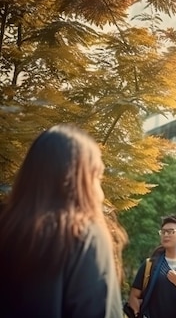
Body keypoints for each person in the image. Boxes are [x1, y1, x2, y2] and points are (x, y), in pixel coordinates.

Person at [0, 124, 124, 317]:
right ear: (78, 180)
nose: (100, 194)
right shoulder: (84, 236)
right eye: (97, 177)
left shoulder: (7, 231)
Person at [128, 214, 176, 318]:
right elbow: (133, 296)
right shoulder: (150, 265)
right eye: (163, 232)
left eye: (171, 231)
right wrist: (137, 312)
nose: (166, 235)